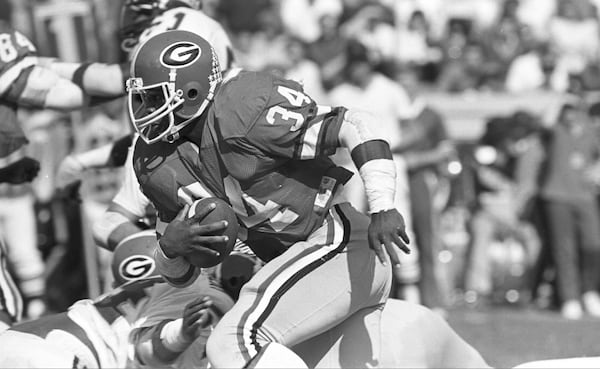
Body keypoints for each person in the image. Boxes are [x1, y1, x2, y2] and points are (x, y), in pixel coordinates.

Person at [127, 30, 410, 368]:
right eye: (142, 98)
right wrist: (170, 250)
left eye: (157, 98)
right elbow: (183, 278)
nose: (146, 110)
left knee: (233, 341)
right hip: (307, 272)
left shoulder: (242, 107)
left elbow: (358, 123)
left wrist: (382, 206)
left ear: (191, 91)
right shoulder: (155, 162)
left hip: (340, 244)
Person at [56, 0, 236, 190]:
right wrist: (81, 162)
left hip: (204, 172)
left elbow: (112, 80)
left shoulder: (183, 20)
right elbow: (148, 140)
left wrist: (46, 67)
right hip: (202, 162)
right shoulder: (192, 23)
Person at [0, 230, 233, 369]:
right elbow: (149, 348)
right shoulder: (197, 291)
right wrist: (180, 335)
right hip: (57, 354)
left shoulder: (129, 292)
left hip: (21, 340)